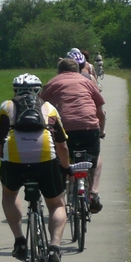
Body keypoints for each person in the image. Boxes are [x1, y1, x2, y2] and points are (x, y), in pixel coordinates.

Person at [0, 73, 72, 262]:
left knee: (9, 195)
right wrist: (65, 167)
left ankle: (20, 241)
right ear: (39, 90)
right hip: (46, 158)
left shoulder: (6, 107)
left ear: (15, 90)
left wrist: (7, 160)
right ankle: (54, 247)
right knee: (56, 204)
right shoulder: (49, 108)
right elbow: (62, 145)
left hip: (14, 160)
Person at [40, 58, 106, 213]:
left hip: (64, 129)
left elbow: (40, 106)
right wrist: (101, 130)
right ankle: (93, 192)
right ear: (77, 70)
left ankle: (61, 190)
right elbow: (100, 112)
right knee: (94, 158)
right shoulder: (88, 82)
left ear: (59, 71)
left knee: (60, 159)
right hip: (89, 128)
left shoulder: (52, 83)